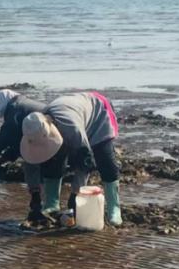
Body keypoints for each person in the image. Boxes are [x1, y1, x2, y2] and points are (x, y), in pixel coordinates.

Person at [18, 91, 122, 227]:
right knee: (54, 159)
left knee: (105, 160)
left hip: (97, 112)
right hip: (72, 111)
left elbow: (85, 162)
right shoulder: (31, 131)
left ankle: (114, 209)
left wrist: (76, 194)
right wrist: (35, 196)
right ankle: (51, 203)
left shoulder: (72, 128)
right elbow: (30, 163)